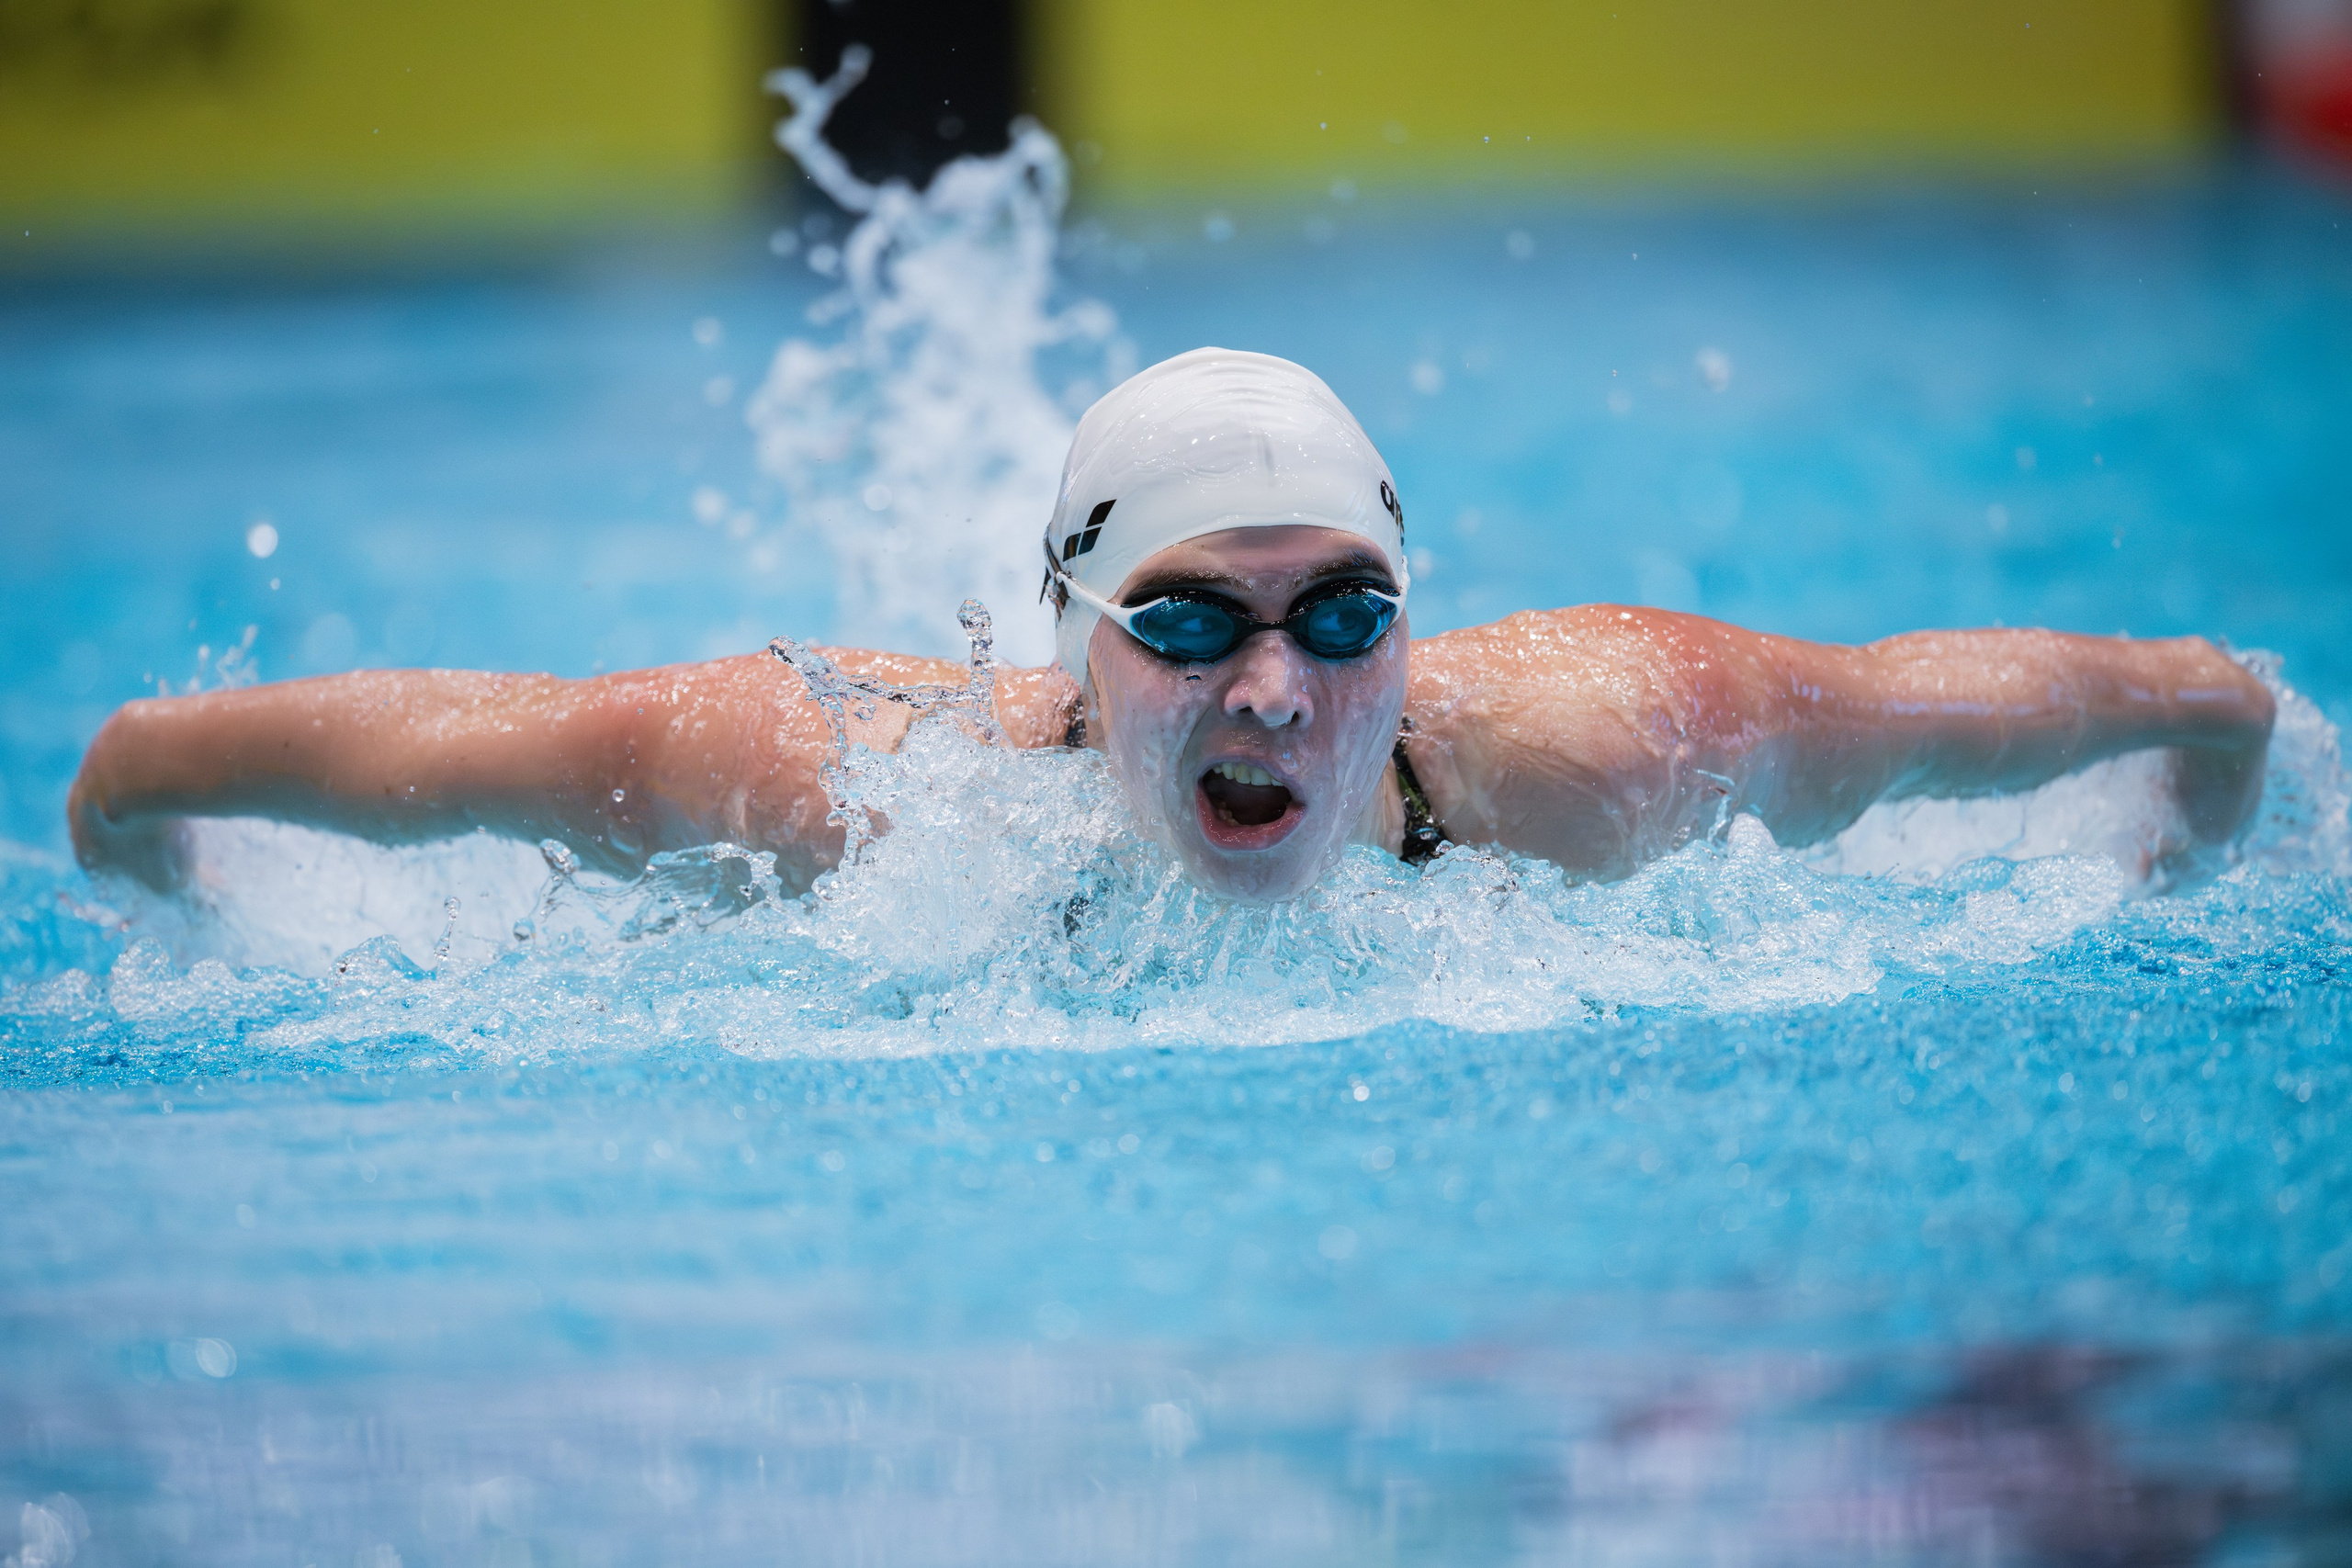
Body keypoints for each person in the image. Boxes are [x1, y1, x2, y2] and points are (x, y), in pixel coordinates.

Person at [69, 348, 2275, 906]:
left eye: (1341, 617)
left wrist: (2194, 843)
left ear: (1417, 624)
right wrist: (158, 877)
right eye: (1184, 620)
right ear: (1068, 650)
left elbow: (2184, 701)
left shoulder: (1617, 743)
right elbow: (152, 769)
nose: (1270, 690)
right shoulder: (816, 781)